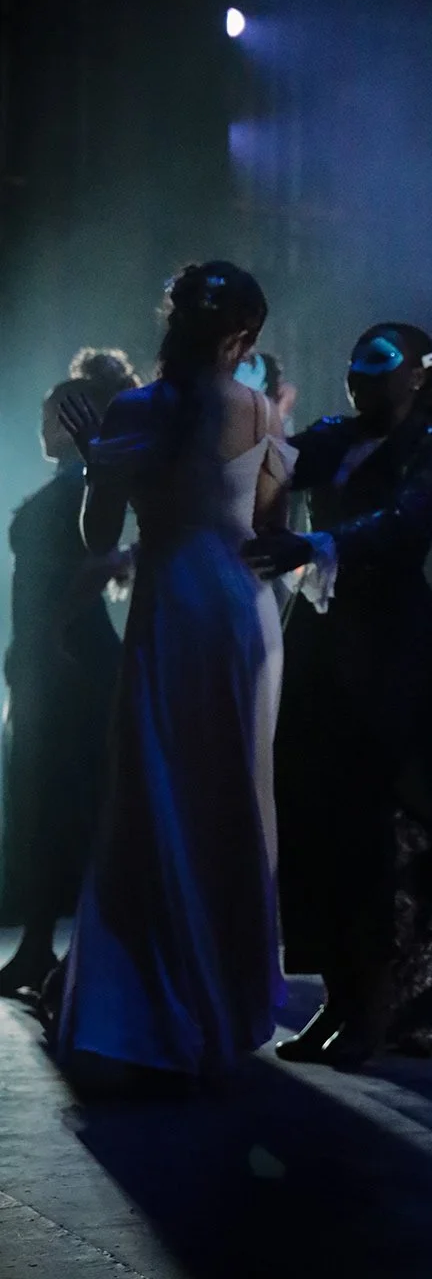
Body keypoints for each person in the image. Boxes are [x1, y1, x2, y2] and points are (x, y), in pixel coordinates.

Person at [53, 262, 294, 1087]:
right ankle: (223, 1002)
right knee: (228, 800)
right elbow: (266, 525)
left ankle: (149, 1012)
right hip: (238, 614)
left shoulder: (138, 408)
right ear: (243, 338)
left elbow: (98, 534)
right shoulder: (258, 407)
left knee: (156, 802)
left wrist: (97, 462)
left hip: (171, 610)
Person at [245, 323, 432, 1067]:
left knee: (377, 817)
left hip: (390, 645)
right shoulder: (330, 435)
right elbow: (271, 465)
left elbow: (405, 524)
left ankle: (377, 1005)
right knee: (317, 810)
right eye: (355, 368)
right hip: (325, 639)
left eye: (379, 368)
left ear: (418, 374)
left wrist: (315, 546)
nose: (360, 380)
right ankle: (340, 996)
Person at [0, 350, 139, 997]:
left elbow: (102, 558)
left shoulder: (88, 479)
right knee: (40, 804)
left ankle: (70, 952)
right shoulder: (71, 479)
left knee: (67, 801)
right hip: (48, 657)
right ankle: (36, 948)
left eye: (54, 411)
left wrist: (52, 629)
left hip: (73, 661)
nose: (43, 422)